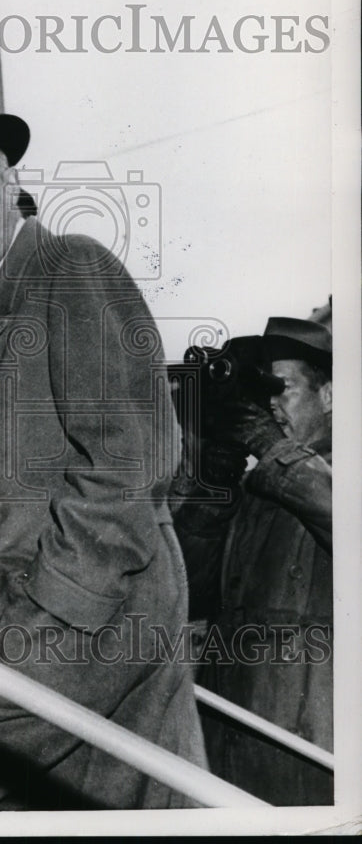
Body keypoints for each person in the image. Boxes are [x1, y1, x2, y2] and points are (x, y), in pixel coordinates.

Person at [0, 96, 207, 810]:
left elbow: (130, 456)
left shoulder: (66, 267)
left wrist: (48, 614)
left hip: (81, 621)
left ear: (9, 181)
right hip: (53, 623)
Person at [172, 317, 333, 805]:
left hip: (313, 754)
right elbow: (188, 591)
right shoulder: (253, 487)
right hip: (231, 742)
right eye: (259, 394)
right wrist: (216, 473)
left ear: (329, 395)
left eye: (281, 389)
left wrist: (268, 444)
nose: (270, 406)